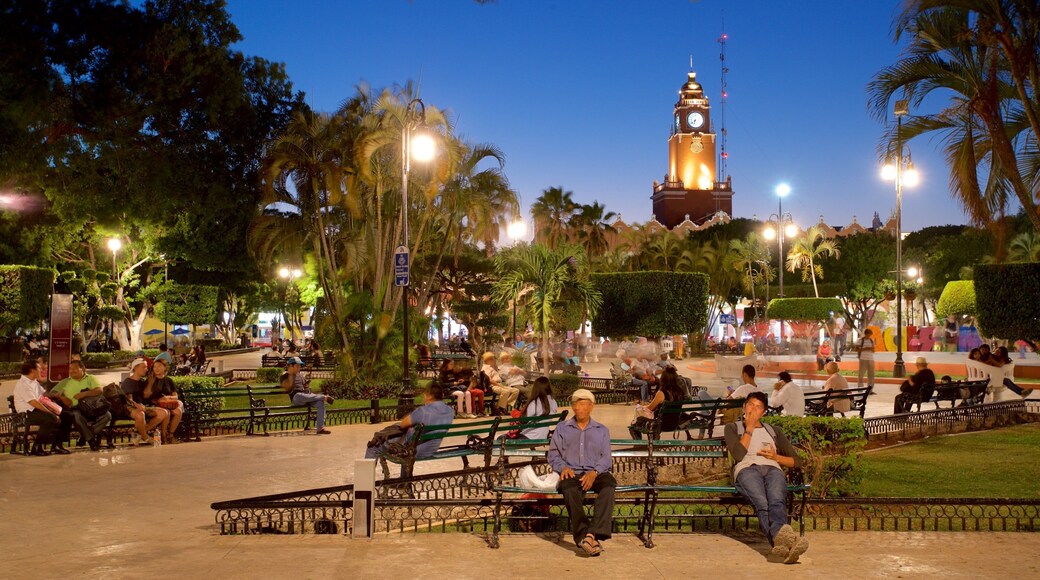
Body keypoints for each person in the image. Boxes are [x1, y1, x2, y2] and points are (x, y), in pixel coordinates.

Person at [724, 392, 809, 564]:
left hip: (772, 469)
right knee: (762, 504)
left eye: (758, 407)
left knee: (776, 501)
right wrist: (749, 428)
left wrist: (775, 458)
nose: (754, 409)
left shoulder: (773, 431)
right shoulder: (733, 428)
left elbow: (797, 461)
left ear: (763, 412)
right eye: (750, 405)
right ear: (744, 407)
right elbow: (739, 455)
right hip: (747, 469)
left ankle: (784, 546)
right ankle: (788, 542)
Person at [547, 388, 615, 557]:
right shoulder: (562, 428)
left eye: (583, 404)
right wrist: (563, 467)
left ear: (591, 407)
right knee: (569, 490)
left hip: (596, 472)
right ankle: (586, 537)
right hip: (572, 472)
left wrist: (594, 472)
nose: (579, 408)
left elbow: (606, 458)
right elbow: (553, 454)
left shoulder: (601, 430)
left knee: (609, 487)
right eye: (576, 404)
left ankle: (591, 535)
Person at [364, 382, 454, 462]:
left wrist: (411, 426)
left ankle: (365, 480)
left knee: (374, 446)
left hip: (413, 451)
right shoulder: (450, 411)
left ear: (430, 396)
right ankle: (405, 480)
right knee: (408, 439)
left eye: (425, 394)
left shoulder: (423, 411)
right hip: (431, 449)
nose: (424, 397)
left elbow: (403, 424)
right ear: (441, 395)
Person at [13, 359, 68, 455]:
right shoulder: (23, 384)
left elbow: (44, 395)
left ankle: (56, 445)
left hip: (38, 410)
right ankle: (37, 447)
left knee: (67, 415)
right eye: (39, 368)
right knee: (50, 418)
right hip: (27, 413)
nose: (41, 370)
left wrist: (57, 394)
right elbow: (34, 402)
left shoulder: (34, 382)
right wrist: (51, 412)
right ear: (32, 370)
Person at [53, 360, 111, 451]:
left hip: (92, 408)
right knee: (76, 416)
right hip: (76, 409)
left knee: (108, 415)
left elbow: (99, 390)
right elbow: (51, 393)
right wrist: (61, 396)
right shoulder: (66, 381)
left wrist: (84, 394)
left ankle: (85, 435)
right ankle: (91, 440)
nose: (72, 371)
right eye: (70, 369)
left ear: (83, 369)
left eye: (75, 368)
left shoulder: (90, 378)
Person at [118, 358, 169, 444]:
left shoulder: (142, 381)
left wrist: (150, 383)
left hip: (143, 406)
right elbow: (129, 400)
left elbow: (146, 395)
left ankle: (139, 433)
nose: (146, 369)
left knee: (164, 412)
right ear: (136, 368)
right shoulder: (128, 382)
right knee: (140, 414)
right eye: (144, 367)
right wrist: (138, 406)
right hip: (129, 407)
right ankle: (145, 437)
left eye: (146, 367)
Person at [629, 366, 686, 439]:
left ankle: (641, 443)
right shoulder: (680, 391)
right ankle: (652, 438)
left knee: (634, 424)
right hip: (675, 422)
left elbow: (650, 408)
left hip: (661, 424)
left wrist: (642, 406)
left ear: (663, 379)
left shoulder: (662, 393)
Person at [280, 367, 334, 434]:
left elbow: (305, 387)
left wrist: (306, 386)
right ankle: (323, 397)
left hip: (307, 397)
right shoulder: (284, 376)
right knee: (300, 395)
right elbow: (285, 386)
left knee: (320, 403)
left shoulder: (300, 375)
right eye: (297, 365)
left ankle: (320, 429)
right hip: (296, 398)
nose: (299, 367)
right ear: (291, 366)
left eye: (299, 366)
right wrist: (291, 375)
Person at [142, 359, 182, 443]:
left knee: (178, 411)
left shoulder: (169, 381)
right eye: (155, 366)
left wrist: (167, 398)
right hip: (154, 404)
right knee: (166, 412)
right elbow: (145, 396)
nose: (156, 368)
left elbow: (175, 396)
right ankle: (163, 436)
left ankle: (170, 435)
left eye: (159, 366)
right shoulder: (150, 380)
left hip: (167, 403)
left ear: (165, 367)